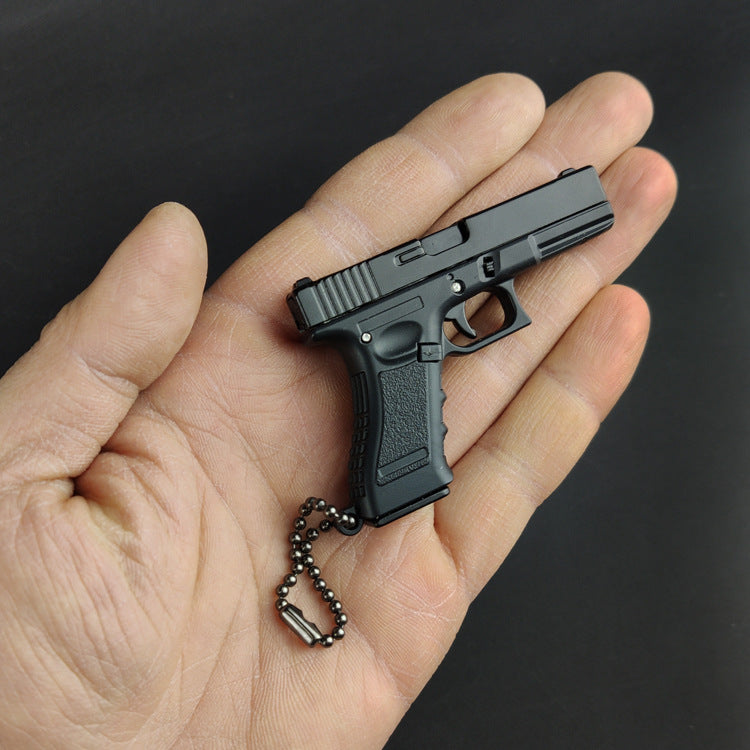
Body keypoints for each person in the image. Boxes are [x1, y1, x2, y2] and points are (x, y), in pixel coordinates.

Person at [0, 71, 675, 748]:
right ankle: (400, 483)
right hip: (382, 309)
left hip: (380, 304)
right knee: (408, 376)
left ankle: (397, 485)